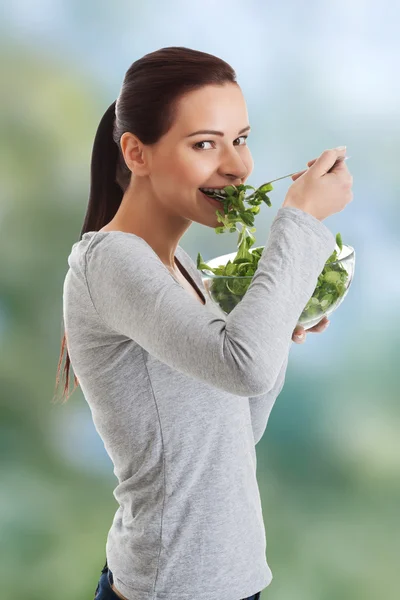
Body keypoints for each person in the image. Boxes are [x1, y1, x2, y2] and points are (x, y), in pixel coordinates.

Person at [55, 46, 353, 600]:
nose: (238, 166)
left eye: (240, 139)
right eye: (204, 144)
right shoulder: (112, 262)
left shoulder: (181, 269)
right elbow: (242, 368)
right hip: (172, 587)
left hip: (227, 582)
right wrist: (302, 219)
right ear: (136, 153)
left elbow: (235, 431)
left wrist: (273, 324)